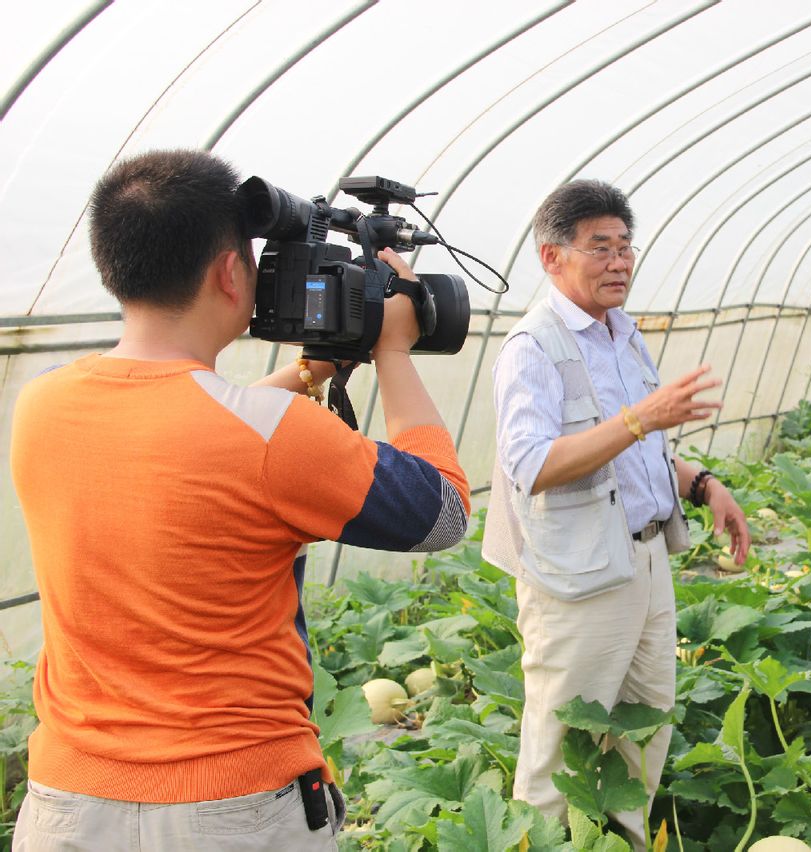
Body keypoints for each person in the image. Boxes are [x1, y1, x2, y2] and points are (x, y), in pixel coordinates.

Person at [10, 149, 470, 850]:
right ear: (230, 273)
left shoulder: (41, 406)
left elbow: (180, 431)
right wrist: (394, 352)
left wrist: (306, 373)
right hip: (232, 809)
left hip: (67, 806)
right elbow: (444, 513)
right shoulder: (279, 438)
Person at [482, 179, 751, 846]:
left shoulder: (623, 335)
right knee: (560, 745)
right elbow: (534, 465)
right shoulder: (532, 348)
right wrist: (640, 419)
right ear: (552, 257)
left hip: (646, 561)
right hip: (578, 576)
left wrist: (701, 483)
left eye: (625, 246)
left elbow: (639, 451)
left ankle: (624, 841)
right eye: (599, 247)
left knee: (645, 725)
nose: (619, 261)